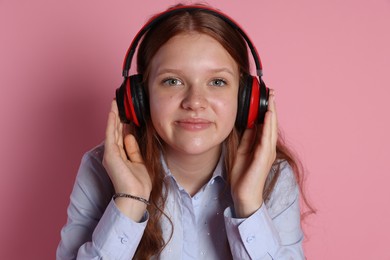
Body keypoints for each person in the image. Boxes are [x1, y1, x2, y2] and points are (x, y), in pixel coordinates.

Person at [57, 4, 313, 260]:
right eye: (172, 81)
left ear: (247, 98)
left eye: (217, 82)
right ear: (139, 97)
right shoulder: (99, 168)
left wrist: (249, 205)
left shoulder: (274, 175)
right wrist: (129, 202)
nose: (195, 101)